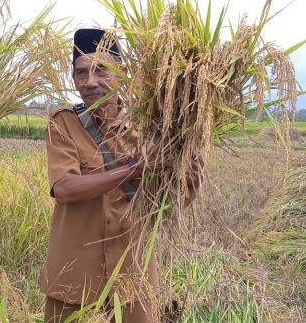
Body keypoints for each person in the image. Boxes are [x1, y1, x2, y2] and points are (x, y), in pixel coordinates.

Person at [41, 28, 201, 323]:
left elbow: (165, 206)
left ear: (123, 73)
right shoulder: (63, 123)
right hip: (74, 280)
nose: (90, 82)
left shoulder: (150, 128)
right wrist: (133, 169)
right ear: (73, 78)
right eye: (81, 72)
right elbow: (64, 189)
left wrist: (190, 177)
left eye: (101, 70)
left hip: (133, 279)